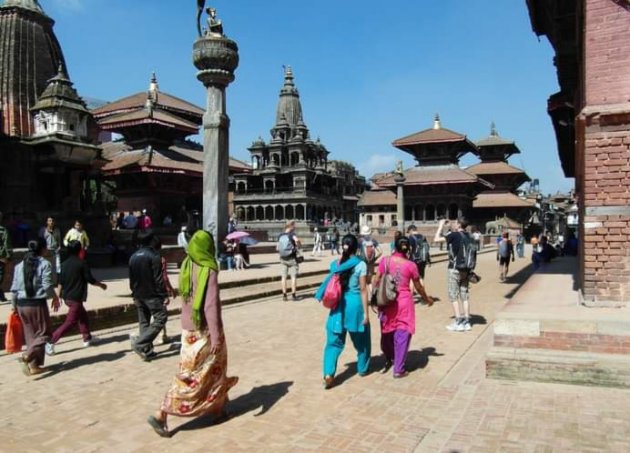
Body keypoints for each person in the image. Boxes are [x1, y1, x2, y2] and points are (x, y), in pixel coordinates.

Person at [147, 230, 238, 438]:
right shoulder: (209, 268)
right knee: (198, 374)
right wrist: (215, 335)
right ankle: (162, 412)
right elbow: (210, 305)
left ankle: (219, 408)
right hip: (205, 329)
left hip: (188, 330)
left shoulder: (188, 263)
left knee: (202, 371)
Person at [372, 236, 433, 378]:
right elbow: (418, 287)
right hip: (404, 302)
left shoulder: (385, 261)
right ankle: (398, 368)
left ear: (395, 247)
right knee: (402, 333)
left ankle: (390, 356)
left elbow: (376, 280)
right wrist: (427, 299)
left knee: (387, 331)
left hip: (387, 301)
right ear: (409, 248)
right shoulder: (411, 265)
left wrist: (375, 299)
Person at [315, 234, 370, 389]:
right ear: (356, 248)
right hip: (355, 305)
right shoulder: (360, 264)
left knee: (333, 342)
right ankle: (362, 368)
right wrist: (366, 313)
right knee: (362, 340)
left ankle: (328, 373)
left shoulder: (336, 264)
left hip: (337, 306)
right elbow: (363, 290)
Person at [45, 240, 107, 355]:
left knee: (82, 316)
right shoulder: (82, 263)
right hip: (76, 297)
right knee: (70, 322)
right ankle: (50, 341)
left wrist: (57, 297)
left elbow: (60, 282)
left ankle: (87, 337)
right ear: (80, 250)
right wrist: (101, 285)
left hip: (67, 297)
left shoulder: (64, 264)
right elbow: (90, 279)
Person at [10, 238, 59, 376]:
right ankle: (27, 356)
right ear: (43, 249)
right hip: (36, 304)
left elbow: (14, 289)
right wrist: (55, 297)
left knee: (31, 335)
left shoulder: (19, 265)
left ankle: (34, 366)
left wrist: (14, 307)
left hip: (21, 304)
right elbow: (47, 285)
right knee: (45, 334)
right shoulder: (45, 264)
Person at [128, 232, 168, 361]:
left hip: (138, 294)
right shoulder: (154, 256)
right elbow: (158, 278)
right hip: (152, 294)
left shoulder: (133, 257)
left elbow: (131, 278)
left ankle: (147, 349)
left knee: (144, 321)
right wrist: (163, 294)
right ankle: (140, 343)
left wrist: (134, 293)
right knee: (161, 318)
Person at [434, 217, 476, 332]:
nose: (454, 224)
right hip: (467, 270)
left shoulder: (455, 235)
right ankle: (467, 322)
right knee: (464, 295)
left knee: (453, 296)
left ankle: (458, 321)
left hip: (454, 269)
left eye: (455, 223)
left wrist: (440, 226)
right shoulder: (471, 236)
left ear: (458, 225)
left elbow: (436, 239)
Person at [277, 220, 301, 301]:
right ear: (290, 226)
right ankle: (293, 295)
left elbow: (278, 246)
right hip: (292, 258)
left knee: (283, 277)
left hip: (283, 258)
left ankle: (284, 295)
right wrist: (298, 245)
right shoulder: (292, 234)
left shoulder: (280, 235)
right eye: (294, 226)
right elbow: (297, 240)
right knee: (293, 277)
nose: (295, 228)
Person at [358, 225, 383, 292]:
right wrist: (374, 259)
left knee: (364, 280)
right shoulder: (373, 240)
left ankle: (367, 297)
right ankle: (373, 294)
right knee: (371, 278)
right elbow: (381, 252)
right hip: (371, 262)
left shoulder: (360, 241)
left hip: (362, 261)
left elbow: (357, 253)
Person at [39, 216, 62, 281]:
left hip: (55, 250)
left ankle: (57, 281)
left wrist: (59, 247)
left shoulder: (57, 230)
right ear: (47, 222)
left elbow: (59, 240)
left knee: (57, 266)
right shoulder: (43, 230)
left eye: (52, 221)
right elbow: (40, 241)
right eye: (49, 221)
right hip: (46, 251)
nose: (51, 222)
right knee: (46, 266)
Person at [0, 211, 13, 303]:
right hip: (1, 256)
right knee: (0, 276)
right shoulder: (3, 230)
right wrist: (8, 256)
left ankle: (1, 296)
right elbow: (6, 244)